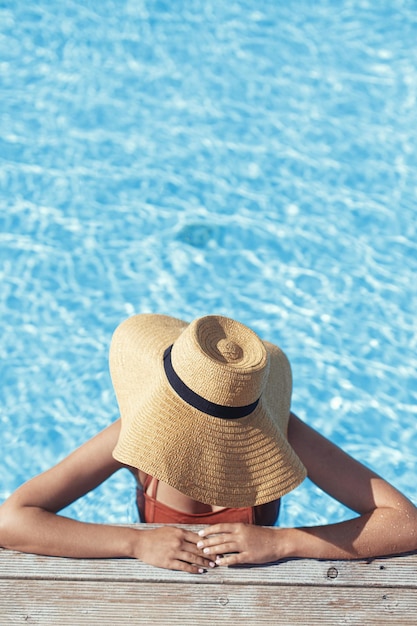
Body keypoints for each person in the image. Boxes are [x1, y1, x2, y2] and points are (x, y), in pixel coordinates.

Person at [0, 314, 416, 574]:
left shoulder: (278, 429)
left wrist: (286, 541)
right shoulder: (140, 429)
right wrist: (134, 543)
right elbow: (12, 520)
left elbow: (406, 522)